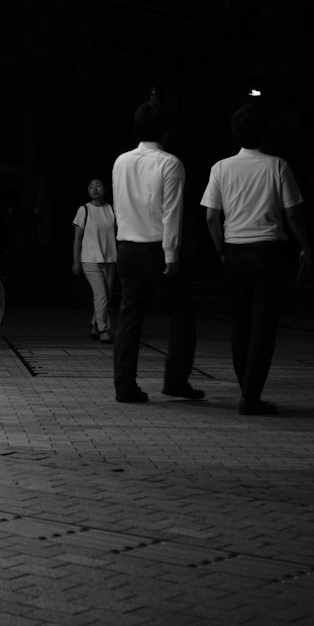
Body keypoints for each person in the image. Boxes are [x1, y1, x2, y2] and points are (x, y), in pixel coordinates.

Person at [202, 102, 312, 415]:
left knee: (240, 324)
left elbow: (211, 216)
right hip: (269, 253)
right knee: (263, 326)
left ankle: (246, 390)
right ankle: (251, 396)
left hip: (235, 251)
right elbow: (292, 213)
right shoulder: (278, 166)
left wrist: (220, 250)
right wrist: (306, 247)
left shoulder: (220, 168)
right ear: (264, 134)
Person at [111, 99, 202, 404]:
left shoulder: (120, 161)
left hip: (126, 246)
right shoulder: (170, 163)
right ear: (165, 131)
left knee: (129, 316)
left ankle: (124, 386)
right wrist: (172, 254)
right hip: (155, 248)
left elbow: (121, 206)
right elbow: (171, 212)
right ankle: (175, 381)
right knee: (182, 312)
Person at [72, 177, 117, 342]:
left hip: (109, 259)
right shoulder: (84, 210)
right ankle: (103, 330)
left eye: (98, 185)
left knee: (107, 296)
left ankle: (94, 325)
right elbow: (77, 238)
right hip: (90, 259)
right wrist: (76, 261)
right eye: (91, 186)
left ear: (104, 189)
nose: (95, 189)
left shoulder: (112, 209)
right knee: (101, 295)